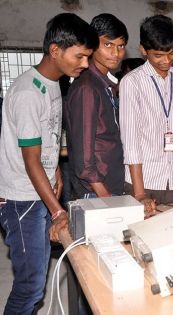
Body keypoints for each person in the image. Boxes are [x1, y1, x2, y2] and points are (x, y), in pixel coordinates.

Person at [0, 13, 97, 314]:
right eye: (80, 56)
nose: (84, 64)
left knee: (39, 269)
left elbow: (46, 137)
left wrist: (54, 165)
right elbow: (30, 162)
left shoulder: (54, 82)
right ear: (55, 51)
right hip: (22, 199)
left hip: (39, 190)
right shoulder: (29, 92)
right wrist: (57, 210)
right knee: (30, 286)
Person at [120, 15, 173, 210]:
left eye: (171, 53)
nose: (166, 61)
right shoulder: (132, 83)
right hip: (144, 182)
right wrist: (140, 194)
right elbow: (131, 141)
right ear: (143, 50)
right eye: (158, 55)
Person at [64, 13, 128, 200]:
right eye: (108, 45)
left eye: (121, 46)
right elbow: (84, 157)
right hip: (96, 191)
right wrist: (104, 195)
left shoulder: (106, 84)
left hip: (111, 183)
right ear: (92, 45)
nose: (115, 53)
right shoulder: (87, 88)